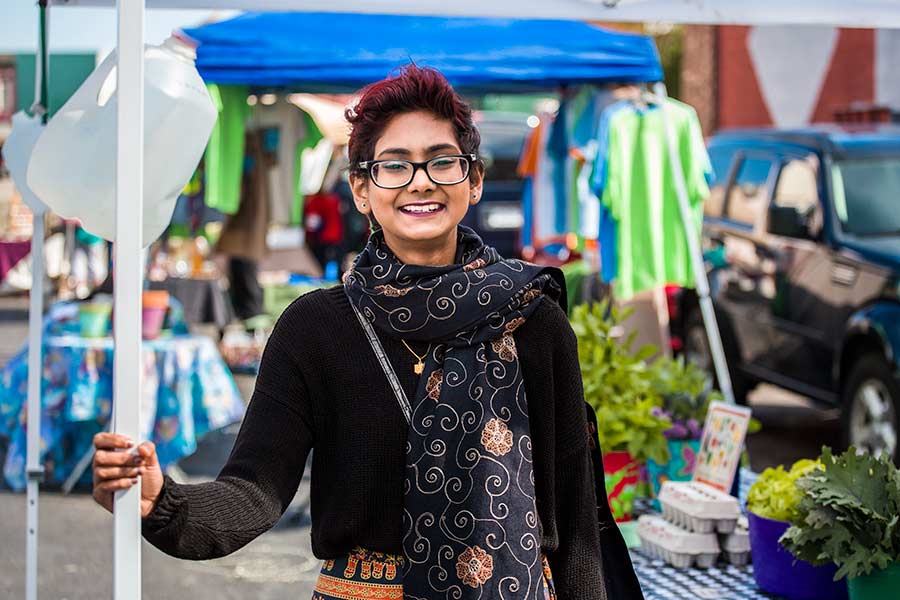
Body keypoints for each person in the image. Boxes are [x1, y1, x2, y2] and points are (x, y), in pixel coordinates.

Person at [92, 65, 642, 600]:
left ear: (472, 181)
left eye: (441, 162)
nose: (420, 182)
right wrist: (161, 501)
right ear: (361, 188)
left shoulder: (532, 320)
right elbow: (253, 491)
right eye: (394, 166)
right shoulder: (316, 328)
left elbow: (574, 517)